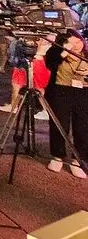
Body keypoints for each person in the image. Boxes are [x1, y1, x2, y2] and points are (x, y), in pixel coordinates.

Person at [43, 31, 88, 179]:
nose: (76, 45)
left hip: (83, 93)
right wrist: (64, 51)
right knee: (59, 124)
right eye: (71, 42)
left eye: (78, 41)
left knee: (82, 127)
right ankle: (57, 156)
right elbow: (50, 64)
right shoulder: (57, 52)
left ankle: (78, 159)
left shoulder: (85, 54)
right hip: (60, 91)